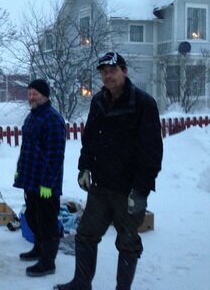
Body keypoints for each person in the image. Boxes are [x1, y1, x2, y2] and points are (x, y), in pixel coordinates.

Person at [53, 52, 163, 290]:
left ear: (124, 71)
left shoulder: (142, 103)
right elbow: (89, 138)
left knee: (127, 243)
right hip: (101, 187)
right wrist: (84, 166)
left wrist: (141, 190)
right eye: (103, 72)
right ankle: (81, 283)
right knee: (85, 236)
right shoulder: (98, 101)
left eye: (112, 70)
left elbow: (152, 151)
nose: (108, 76)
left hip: (129, 189)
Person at [14, 79, 66, 277]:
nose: (31, 97)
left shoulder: (53, 119)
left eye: (35, 93)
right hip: (30, 179)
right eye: (29, 93)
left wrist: (48, 183)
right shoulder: (32, 117)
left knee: (47, 222)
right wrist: (20, 170)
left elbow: (55, 155)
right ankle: (38, 249)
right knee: (33, 217)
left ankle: (48, 262)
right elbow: (26, 148)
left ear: (45, 95)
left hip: (46, 184)